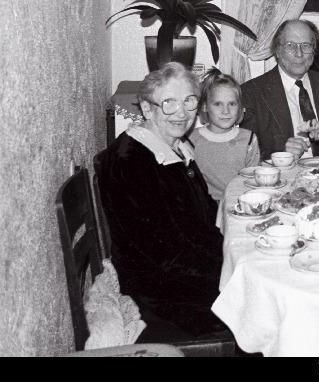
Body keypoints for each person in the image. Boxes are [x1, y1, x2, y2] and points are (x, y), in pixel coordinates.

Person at [96, 62, 225, 339]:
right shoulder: (132, 162)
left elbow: (201, 217)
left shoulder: (176, 146)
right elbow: (165, 255)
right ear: (146, 108)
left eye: (189, 101)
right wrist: (230, 268)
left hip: (186, 271)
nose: (181, 113)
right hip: (161, 293)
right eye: (169, 103)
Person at [241, 19, 319, 160]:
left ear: (314, 51)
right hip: (282, 176)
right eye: (290, 45)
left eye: (306, 45)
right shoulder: (252, 93)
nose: (299, 54)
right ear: (278, 50)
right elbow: (246, 152)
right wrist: (281, 153)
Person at [189, 68, 261, 202]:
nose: (226, 111)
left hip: (240, 206)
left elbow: (253, 181)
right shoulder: (191, 140)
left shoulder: (249, 139)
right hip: (206, 211)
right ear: (204, 106)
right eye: (218, 104)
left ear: (240, 107)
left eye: (232, 104)